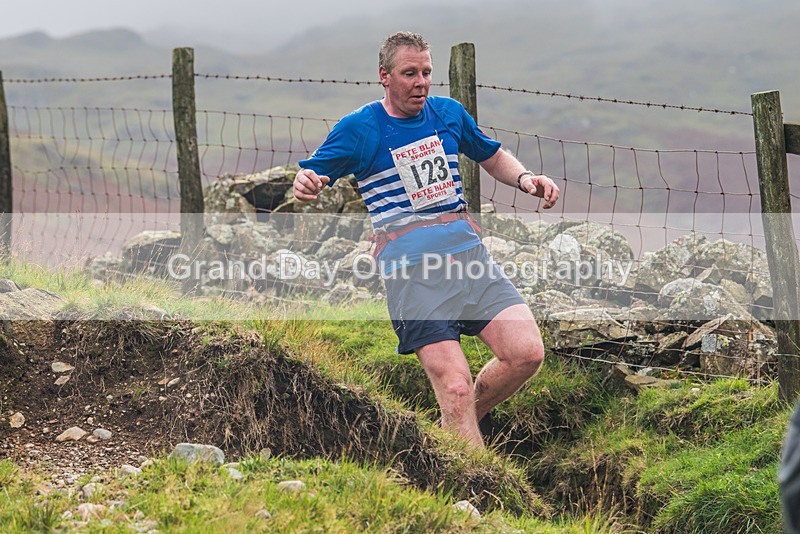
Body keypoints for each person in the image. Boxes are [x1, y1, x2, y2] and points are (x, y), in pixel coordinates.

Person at [293, 31, 560, 448]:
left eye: (427, 73)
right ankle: (473, 496)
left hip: (470, 261)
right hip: (412, 275)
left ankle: (452, 433)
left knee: (526, 353)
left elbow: (491, 155)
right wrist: (306, 180)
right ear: (384, 76)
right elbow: (314, 172)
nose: (421, 82)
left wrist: (526, 178)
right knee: (454, 388)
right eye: (409, 73)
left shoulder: (448, 113)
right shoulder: (360, 128)